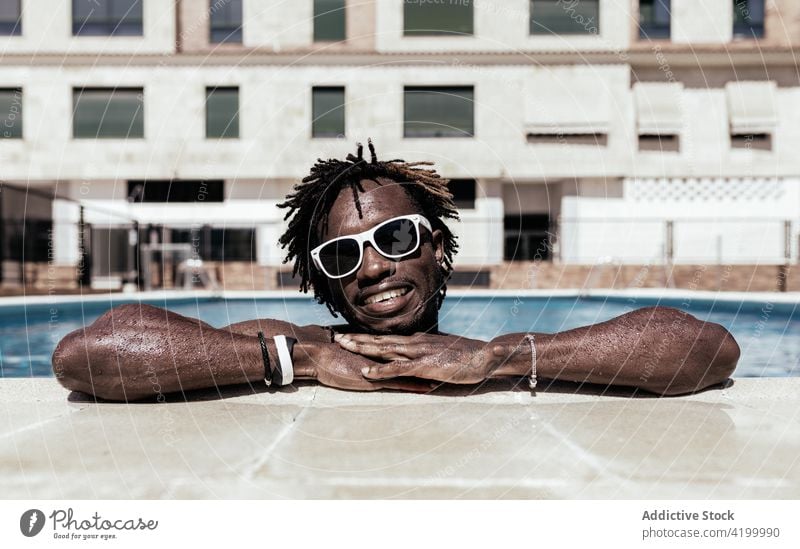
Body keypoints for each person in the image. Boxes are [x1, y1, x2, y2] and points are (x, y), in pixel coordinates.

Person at [52, 141, 740, 401]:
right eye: (344, 255)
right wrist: (302, 362)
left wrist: (501, 359)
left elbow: (710, 348)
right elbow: (83, 354)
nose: (374, 265)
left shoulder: (495, 351)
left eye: (396, 235)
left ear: (438, 247)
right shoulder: (289, 343)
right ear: (325, 280)